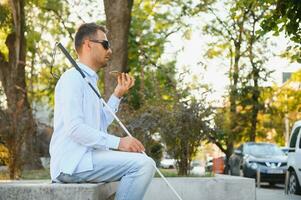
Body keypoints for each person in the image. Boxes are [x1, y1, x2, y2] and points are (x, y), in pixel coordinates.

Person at [49, 22, 155, 200]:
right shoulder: (72, 79)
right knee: (143, 165)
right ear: (88, 44)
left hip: (88, 157)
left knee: (142, 162)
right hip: (72, 163)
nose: (110, 50)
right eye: (105, 44)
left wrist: (117, 94)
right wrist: (119, 143)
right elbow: (74, 129)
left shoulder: (90, 80)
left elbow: (101, 122)